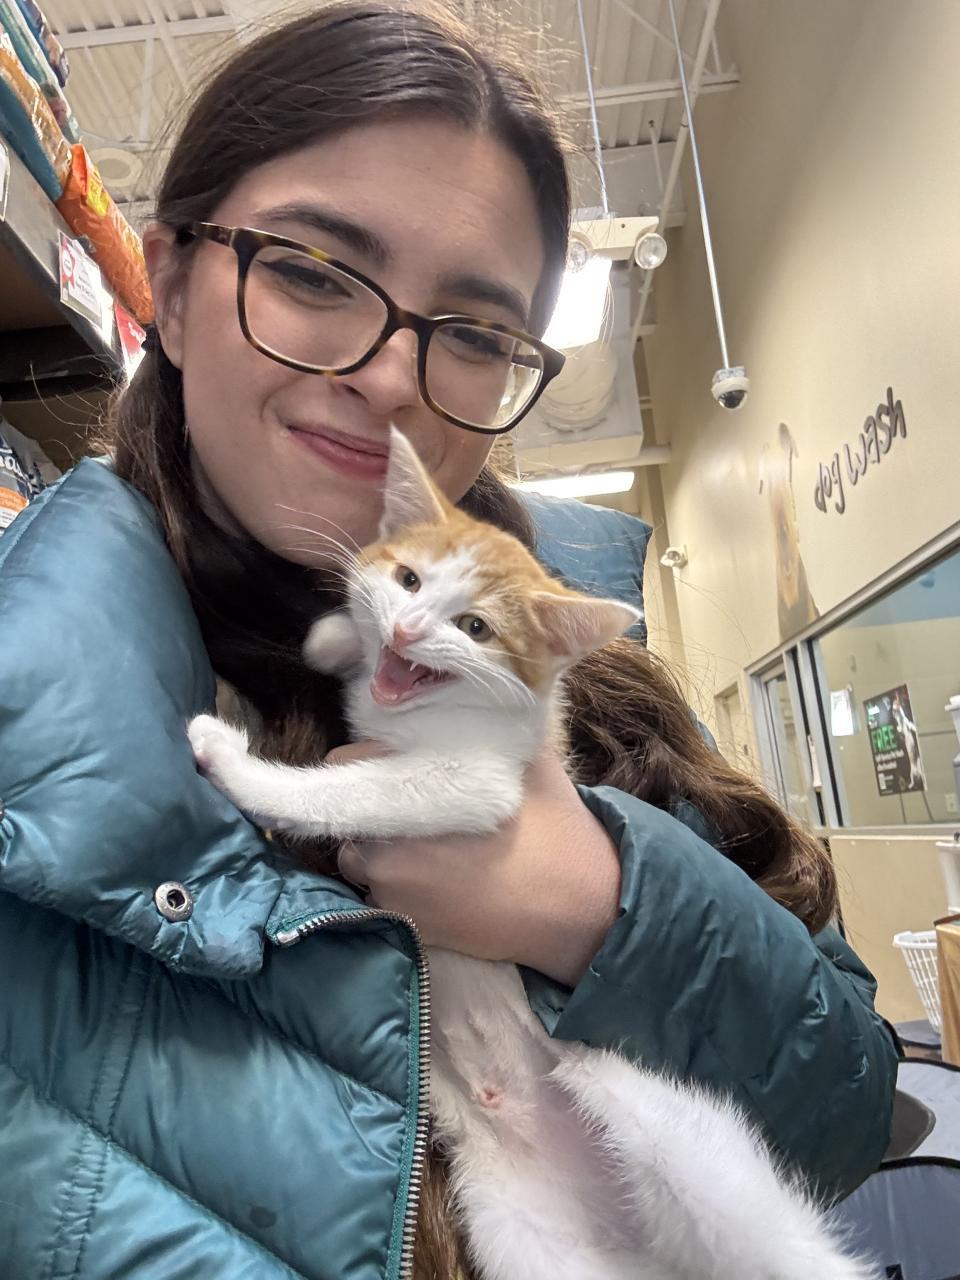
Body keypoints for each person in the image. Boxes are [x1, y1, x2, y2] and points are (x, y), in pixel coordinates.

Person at [0, 4, 898, 1277]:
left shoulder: (601, 676)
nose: (387, 377)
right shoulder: (37, 710)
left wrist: (604, 904)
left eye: (474, 332)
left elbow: (851, 1107)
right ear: (175, 291)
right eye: (314, 271)